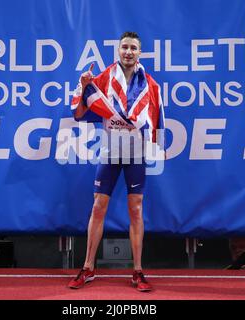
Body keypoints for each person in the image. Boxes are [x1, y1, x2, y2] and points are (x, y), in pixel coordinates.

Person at [68, 31, 165, 292]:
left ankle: (138, 271)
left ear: (139, 53)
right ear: (118, 50)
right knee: (99, 206)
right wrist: (84, 83)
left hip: (136, 152)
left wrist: (157, 148)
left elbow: (158, 120)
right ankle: (88, 267)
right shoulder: (104, 77)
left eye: (133, 48)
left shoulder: (151, 85)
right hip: (110, 150)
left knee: (136, 209)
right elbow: (78, 112)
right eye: (124, 47)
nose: (128, 52)